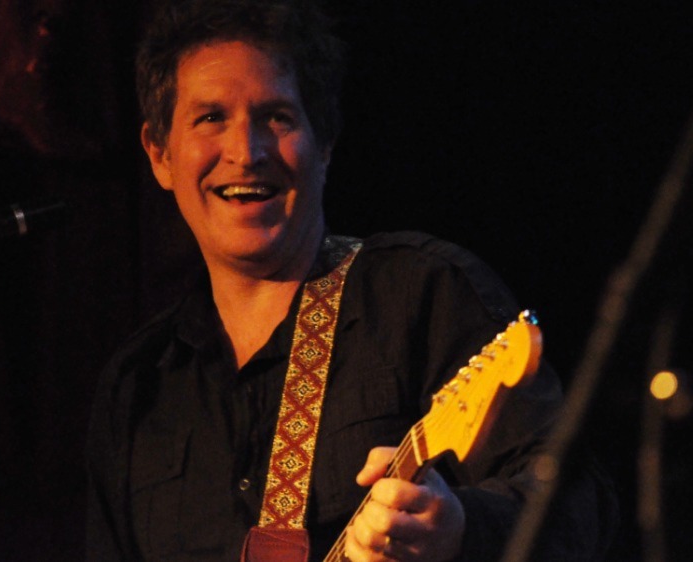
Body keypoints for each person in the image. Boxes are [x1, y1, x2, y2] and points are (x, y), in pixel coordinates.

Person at [86, 0, 616, 560]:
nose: (246, 152)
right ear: (159, 154)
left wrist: (460, 528)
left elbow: (582, 508)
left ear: (325, 144)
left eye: (277, 117)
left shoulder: (421, 295)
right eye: (211, 118)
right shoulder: (137, 388)